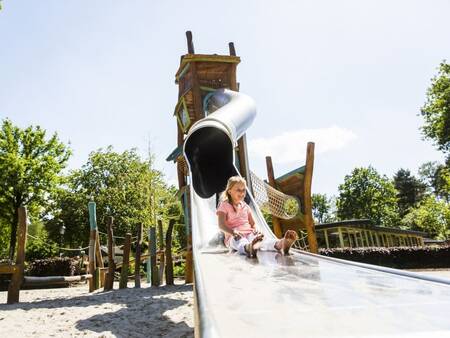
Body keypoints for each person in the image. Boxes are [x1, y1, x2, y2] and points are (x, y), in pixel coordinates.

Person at [216, 175, 298, 257]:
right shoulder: (224, 205)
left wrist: (256, 229)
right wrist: (233, 232)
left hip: (249, 233)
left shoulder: (245, 206)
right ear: (229, 191)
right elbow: (221, 225)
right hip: (234, 236)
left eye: (243, 190)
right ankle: (248, 248)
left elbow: (253, 223)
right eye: (238, 190)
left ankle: (280, 244)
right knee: (239, 241)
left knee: (262, 240)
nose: (241, 192)